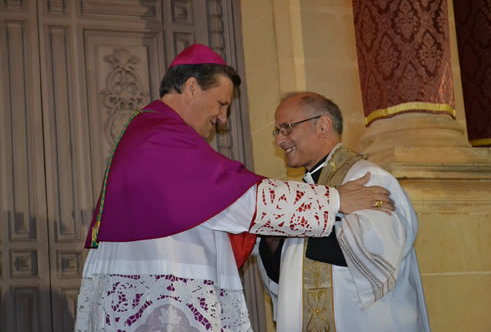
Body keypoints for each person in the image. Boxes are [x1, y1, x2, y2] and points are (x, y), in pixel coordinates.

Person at [74, 45, 393, 332]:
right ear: (192, 87)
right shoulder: (161, 137)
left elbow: (211, 212)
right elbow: (238, 198)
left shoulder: (150, 130)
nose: (223, 119)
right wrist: (335, 200)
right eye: (222, 104)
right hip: (163, 295)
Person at [258, 92, 431, 332]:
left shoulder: (368, 179)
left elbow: (376, 251)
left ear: (322, 125)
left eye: (286, 128)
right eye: (277, 131)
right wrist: (273, 242)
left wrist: (297, 221)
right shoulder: (301, 194)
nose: (280, 140)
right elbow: (287, 276)